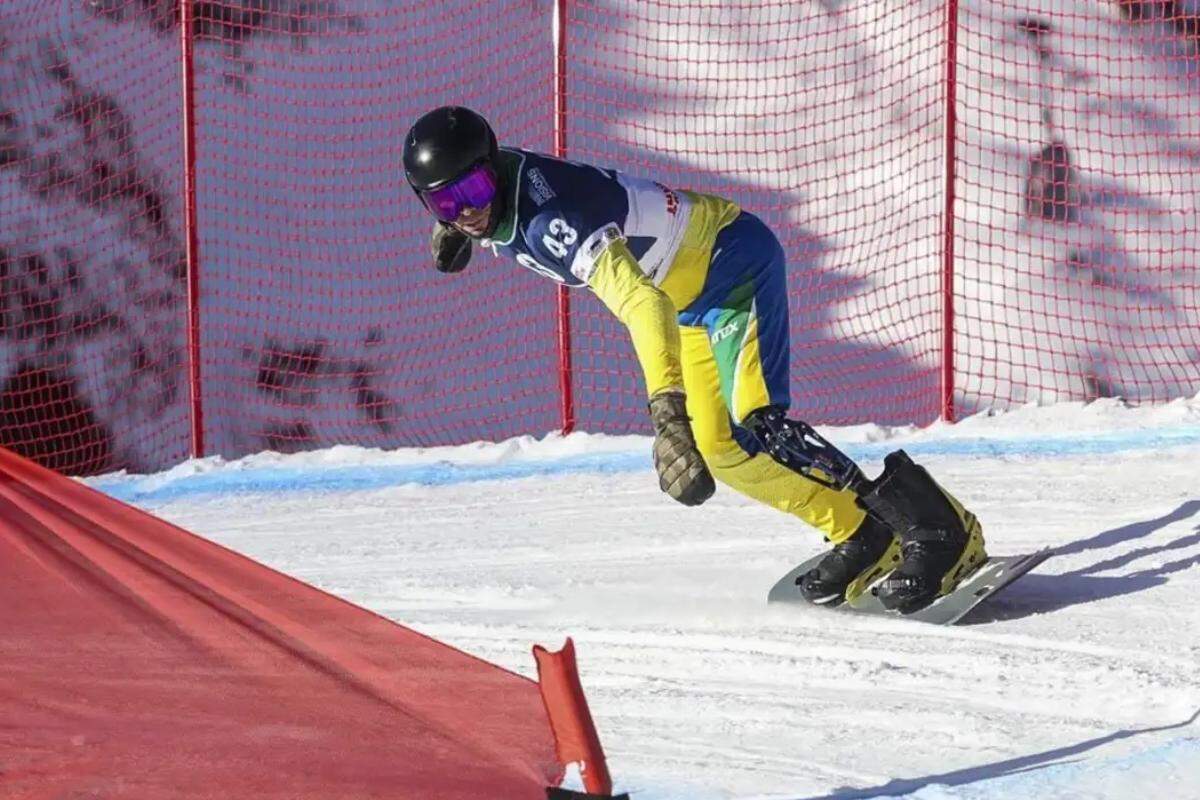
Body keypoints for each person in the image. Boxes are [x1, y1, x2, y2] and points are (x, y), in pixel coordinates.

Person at [401, 106, 987, 613]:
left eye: (473, 191)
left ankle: (939, 529)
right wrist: (462, 227)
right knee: (723, 449)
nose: (466, 209)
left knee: (761, 423)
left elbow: (642, 302)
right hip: (693, 304)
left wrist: (667, 415)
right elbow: (483, 198)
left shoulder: (553, 221)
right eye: (445, 201)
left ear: (493, 168)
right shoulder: (496, 193)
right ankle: (861, 531)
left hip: (732, 262)